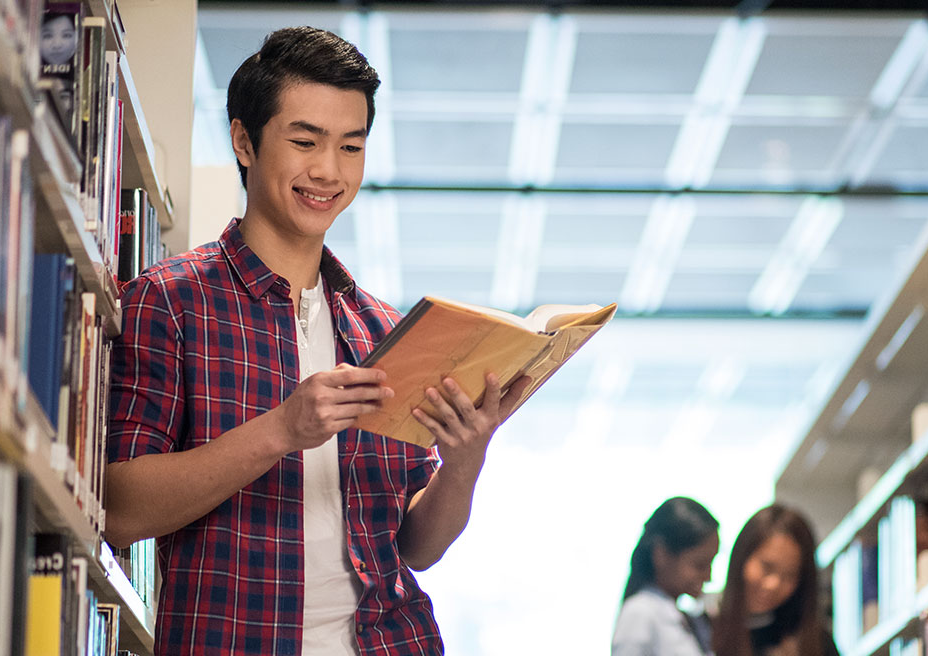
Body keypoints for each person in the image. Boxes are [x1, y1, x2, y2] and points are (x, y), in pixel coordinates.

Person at [102, 26, 530, 656]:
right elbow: (119, 507)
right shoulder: (169, 300)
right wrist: (283, 429)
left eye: (351, 147)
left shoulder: (385, 330)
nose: (329, 172)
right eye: (305, 141)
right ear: (243, 141)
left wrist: (466, 460)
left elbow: (418, 548)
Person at [710, 505, 839, 656]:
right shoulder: (703, 628)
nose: (774, 585)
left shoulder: (813, 641)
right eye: (767, 567)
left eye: (789, 575)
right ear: (742, 557)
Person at [612, 497, 721, 656]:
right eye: (699, 565)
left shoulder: (691, 620)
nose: (708, 577)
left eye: (711, 563)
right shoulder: (640, 613)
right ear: (661, 554)